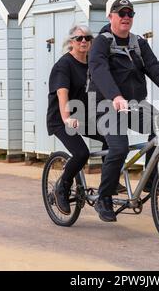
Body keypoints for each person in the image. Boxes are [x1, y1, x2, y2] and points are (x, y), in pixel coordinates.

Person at [88, 0, 159, 222]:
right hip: (104, 105)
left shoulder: (138, 43)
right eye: (121, 13)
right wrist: (115, 96)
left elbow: (155, 68)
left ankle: (152, 178)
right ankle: (104, 198)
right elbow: (99, 70)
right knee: (119, 147)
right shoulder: (101, 42)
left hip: (133, 104)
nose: (126, 17)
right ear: (111, 16)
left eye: (130, 13)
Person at [47, 25, 111, 216]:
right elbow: (62, 93)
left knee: (112, 138)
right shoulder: (63, 65)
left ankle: (110, 182)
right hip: (61, 119)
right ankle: (62, 187)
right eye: (79, 38)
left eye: (88, 38)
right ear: (71, 42)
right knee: (81, 153)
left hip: (84, 116)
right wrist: (67, 118)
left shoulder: (92, 64)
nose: (84, 41)